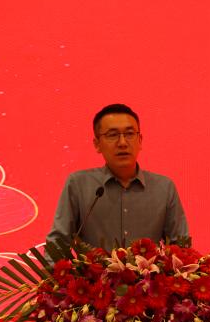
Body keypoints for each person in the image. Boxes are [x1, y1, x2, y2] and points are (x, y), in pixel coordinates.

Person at [46, 103, 189, 251]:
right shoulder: (78, 185)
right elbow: (58, 242)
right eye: (112, 135)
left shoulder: (164, 188)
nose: (122, 143)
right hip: (95, 267)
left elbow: (181, 246)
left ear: (140, 140)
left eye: (129, 134)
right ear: (97, 144)